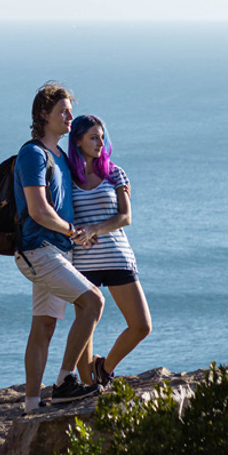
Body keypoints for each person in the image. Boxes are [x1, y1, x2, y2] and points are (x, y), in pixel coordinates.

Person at [13, 82, 105, 414]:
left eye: (70, 110)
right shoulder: (33, 154)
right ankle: (65, 381)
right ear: (43, 114)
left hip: (56, 251)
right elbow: (38, 210)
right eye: (62, 111)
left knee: (44, 325)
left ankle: (32, 404)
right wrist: (73, 231)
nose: (70, 116)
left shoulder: (60, 157)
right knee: (93, 302)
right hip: (39, 251)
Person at [67, 115, 152, 386]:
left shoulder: (115, 172)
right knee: (85, 329)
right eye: (93, 137)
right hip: (82, 261)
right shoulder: (65, 176)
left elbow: (125, 216)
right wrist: (73, 233)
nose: (100, 142)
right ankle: (87, 386)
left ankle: (105, 368)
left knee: (141, 325)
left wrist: (94, 229)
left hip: (117, 256)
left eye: (102, 137)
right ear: (78, 141)